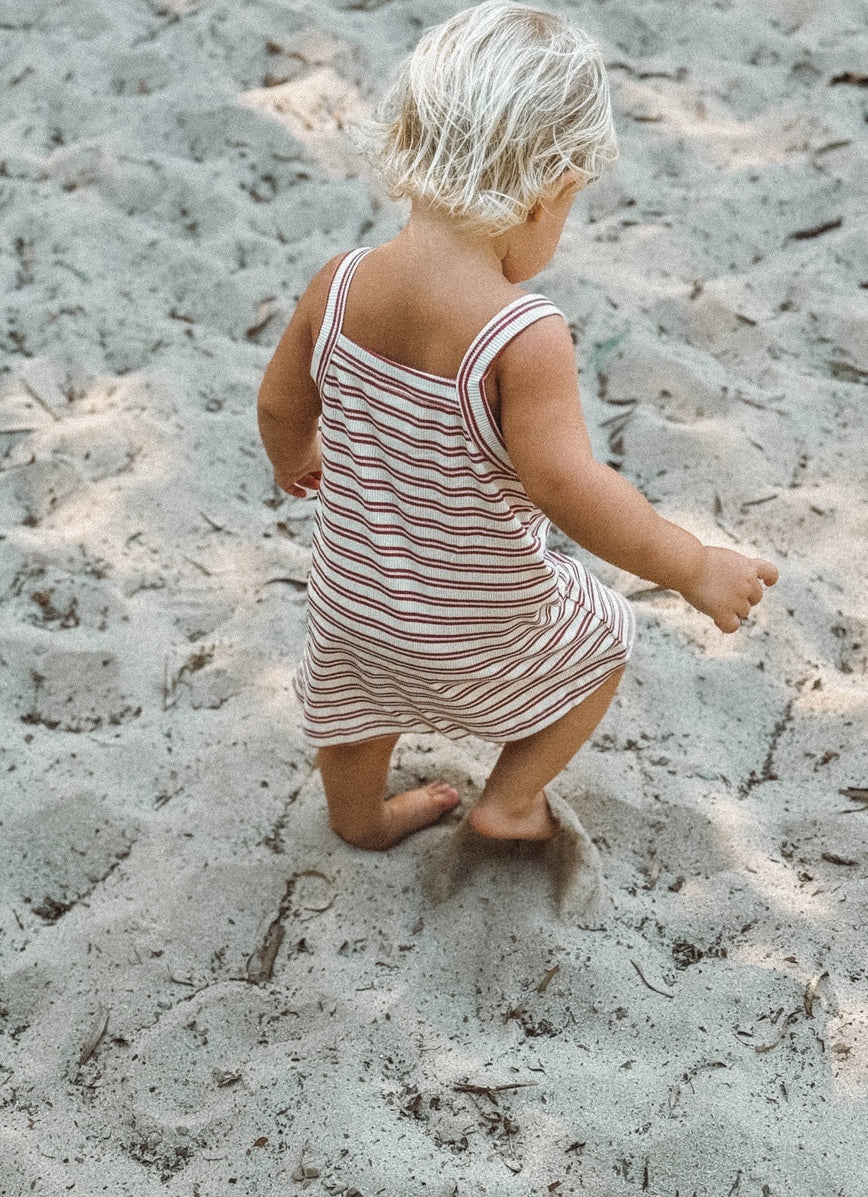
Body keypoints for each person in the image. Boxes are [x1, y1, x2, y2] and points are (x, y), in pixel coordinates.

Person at [257, 1, 777, 851]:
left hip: (353, 608)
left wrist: (298, 456)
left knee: (353, 701)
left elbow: (280, 404)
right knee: (604, 636)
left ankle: (357, 819)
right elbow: (567, 486)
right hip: (476, 627)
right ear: (546, 195)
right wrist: (691, 564)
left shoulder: (340, 283)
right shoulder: (523, 335)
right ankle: (509, 798)